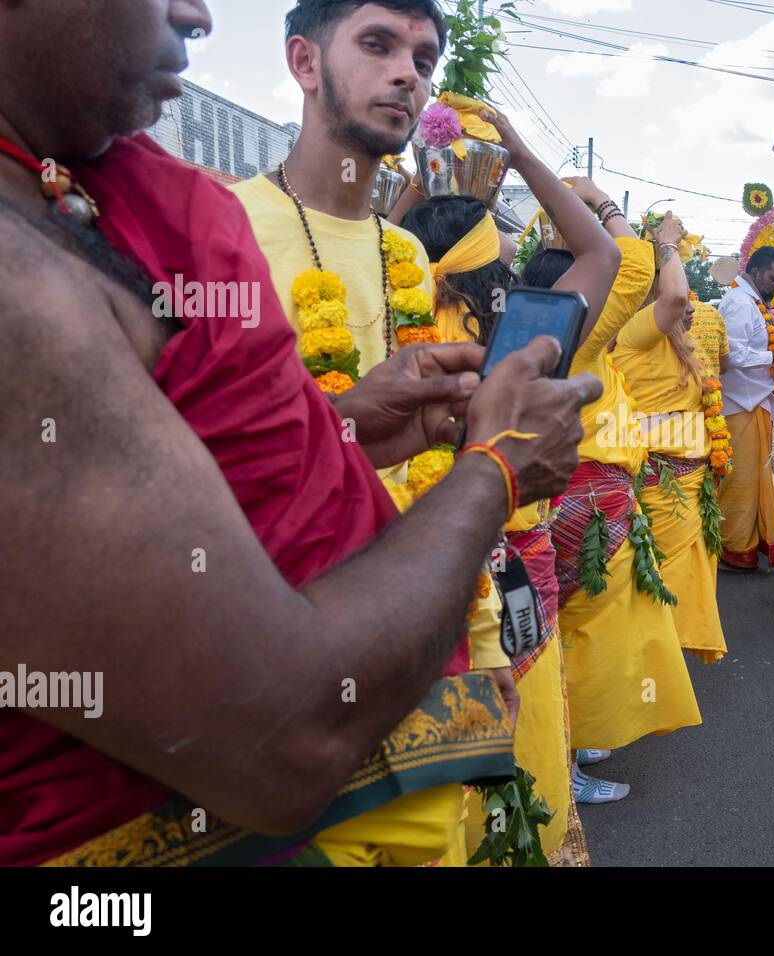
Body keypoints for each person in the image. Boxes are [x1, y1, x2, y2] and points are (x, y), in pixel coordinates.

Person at [0, 0, 601, 866]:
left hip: (404, 670)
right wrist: (496, 472)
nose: (195, 15)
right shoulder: (29, 280)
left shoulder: (75, 193)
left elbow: (166, 474)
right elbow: (278, 738)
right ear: (304, 63)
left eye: (426, 56)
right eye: (379, 44)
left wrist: (342, 427)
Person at [398, 145, 621, 857]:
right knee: (520, 748)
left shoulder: (380, 319)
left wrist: (412, 182)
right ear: (493, 263)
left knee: (431, 771)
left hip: (404, 581)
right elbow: (602, 252)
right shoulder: (520, 340)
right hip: (509, 563)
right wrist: (518, 154)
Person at [522, 212, 701, 805]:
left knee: (572, 631)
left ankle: (570, 743)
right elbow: (632, 260)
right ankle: (562, 765)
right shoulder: (583, 336)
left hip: (573, 497)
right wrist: (602, 207)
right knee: (584, 634)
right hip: (586, 504)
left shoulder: (533, 342)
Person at [611, 225, 727, 663]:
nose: (689, 305)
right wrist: (666, 245)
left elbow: (672, 296)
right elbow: (674, 297)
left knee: (678, 571)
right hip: (664, 477)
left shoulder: (674, 340)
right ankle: (656, 658)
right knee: (665, 572)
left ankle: (664, 657)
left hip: (691, 476)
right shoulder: (636, 334)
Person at [716, 245, 774, 572]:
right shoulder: (738, 304)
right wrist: (773, 359)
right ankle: (733, 549)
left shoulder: (752, 302)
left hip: (754, 402)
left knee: (751, 481)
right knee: (741, 483)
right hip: (739, 405)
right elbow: (730, 355)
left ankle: (743, 544)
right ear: (756, 271)